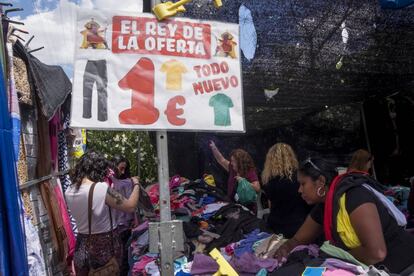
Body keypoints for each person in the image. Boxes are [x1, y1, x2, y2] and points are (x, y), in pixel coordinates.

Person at [274, 157, 414, 275]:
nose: (299, 190)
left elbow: (376, 252)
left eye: (303, 184)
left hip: (404, 266)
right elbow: (298, 239)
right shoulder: (324, 207)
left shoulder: (354, 196)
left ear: (321, 182)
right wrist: (285, 248)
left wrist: (334, 257)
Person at [66, 151, 140, 275]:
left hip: (81, 245)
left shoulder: (69, 190)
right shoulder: (101, 188)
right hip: (105, 247)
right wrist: (136, 184)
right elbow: (130, 206)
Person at [261, 143, 310, 238]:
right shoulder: (300, 178)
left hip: (275, 227)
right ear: (291, 157)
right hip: (299, 227)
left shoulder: (268, 181)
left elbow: (271, 205)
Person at [209, 141, 260, 211]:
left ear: (240, 162)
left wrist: (243, 181)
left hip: (247, 208)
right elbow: (221, 160)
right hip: (233, 204)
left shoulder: (250, 172)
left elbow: (257, 188)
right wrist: (214, 148)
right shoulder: (232, 169)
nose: (231, 163)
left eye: (233, 161)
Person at [110, 155, 136, 276]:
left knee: (122, 257)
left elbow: (132, 204)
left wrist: (134, 219)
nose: (123, 171)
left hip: (123, 224)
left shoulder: (126, 182)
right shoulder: (108, 180)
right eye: (121, 168)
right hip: (113, 224)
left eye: (125, 169)